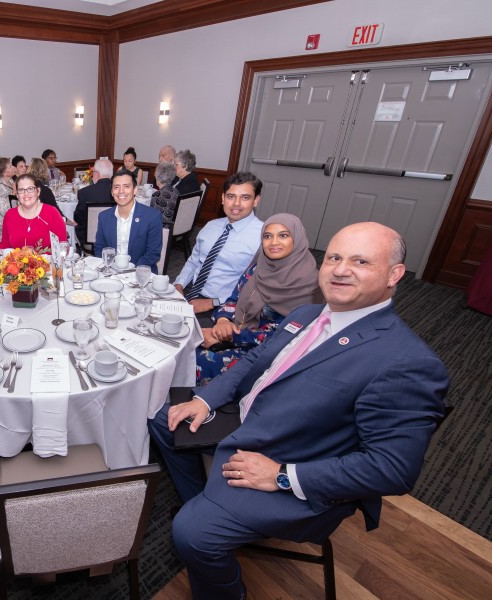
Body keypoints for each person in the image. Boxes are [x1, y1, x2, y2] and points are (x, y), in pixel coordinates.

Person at [149, 222, 448, 600]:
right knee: (162, 417)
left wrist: (283, 476)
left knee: (192, 534)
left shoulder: (406, 362)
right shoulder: (306, 315)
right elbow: (254, 361)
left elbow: (393, 469)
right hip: (248, 420)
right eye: (335, 257)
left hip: (289, 457)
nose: (340, 269)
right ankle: (205, 499)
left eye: (360, 261)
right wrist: (204, 400)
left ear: (394, 275)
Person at [197, 213, 321, 385]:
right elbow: (235, 298)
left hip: (271, 351)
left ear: (297, 238)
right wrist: (223, 321)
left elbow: (284, 334)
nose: (274, 242)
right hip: (237, 331)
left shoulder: (310, 284)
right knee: (186, 341)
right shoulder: (260, 266)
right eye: (267, 236)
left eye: (283, 235)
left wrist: (229, 338)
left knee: (202, 361)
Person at [173, 172, 265, 314]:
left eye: (245, 198)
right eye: (231, 196)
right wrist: (179, 284)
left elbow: (260, 287)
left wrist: (214, 302)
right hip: (191, 291)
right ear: (223, 198)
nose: (236, 203)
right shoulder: (211, 226)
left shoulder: (263, 238)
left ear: (256, 200)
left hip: (226, 305)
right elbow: (194, 262)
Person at [94, 169, 163, 273]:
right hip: (111, 272)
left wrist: (131, 271)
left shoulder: (152, 216)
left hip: (140, 274)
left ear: (135, 190)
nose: (121, 191)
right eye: (116, 187)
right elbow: (99, 249)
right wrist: (109, 267)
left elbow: (153, 254)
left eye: (126, 186)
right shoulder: (104, 217)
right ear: (112, 192)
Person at [0, 173, 67, 251]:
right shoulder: (10, 215)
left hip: (48, 262)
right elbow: (5, 245)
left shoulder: (52, 213)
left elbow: (62, 246)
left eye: (30, 189)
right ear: (17, 194)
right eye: (21, 190)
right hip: (19, 263)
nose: (26, 193)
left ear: (38, 191)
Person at [74, 158, 114, 245]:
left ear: (97, 174)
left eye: (93, 172)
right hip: (113, 238)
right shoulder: (118, 193)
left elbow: (78, 218)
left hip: (88, 240)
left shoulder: (84, 192)